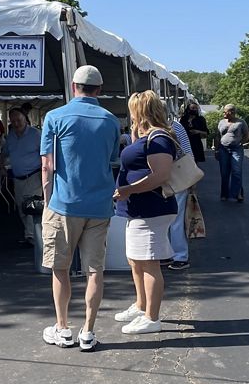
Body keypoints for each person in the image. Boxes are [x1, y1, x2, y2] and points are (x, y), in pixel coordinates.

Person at [39, 65, 121, 353]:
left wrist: (46, 201)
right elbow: (112, 160)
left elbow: (47, 165)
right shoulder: (111, 121)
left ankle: (62, 328)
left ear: (74, 87)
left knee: (60, 268)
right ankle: (88, 330)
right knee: (94, 270)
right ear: (99, 90)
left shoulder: (54, 117)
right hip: (99, 205)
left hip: (63, 204)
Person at [112, 90, 178, 335]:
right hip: (140, 209)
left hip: (152, 208)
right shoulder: (145, 135)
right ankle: (142, 306)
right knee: (136, 260)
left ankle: (152, 316)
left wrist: (128, 189)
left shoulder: (159, 138)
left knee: (149, 263)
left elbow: (160, 175)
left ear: (141, 110)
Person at [0, 107, 42, 248]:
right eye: (13, 121)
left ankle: (33, 237)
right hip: (18, 178)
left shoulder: (36, 134)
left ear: (25, 119)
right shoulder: (10, 136)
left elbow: (46, 153)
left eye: (19, 120)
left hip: (34, 175)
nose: (16, 123)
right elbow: (4, 153)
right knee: (21, 207)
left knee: (31, 205)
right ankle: (30, 234)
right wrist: (1, 166)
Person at [164, 114, 194, 271]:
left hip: (174, 177)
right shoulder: (175, 126)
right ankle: (175, 255)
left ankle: (179, 255)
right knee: (173, 218)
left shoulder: (172, 127)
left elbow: (187, 151)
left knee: (173, 218)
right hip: (176, 177)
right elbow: (188, 151)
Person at [216, 104, 249, 202]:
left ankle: (238, 193)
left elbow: (246, 134)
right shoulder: (221, 122)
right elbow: (217, 136)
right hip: (223, 149)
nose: (223, 114)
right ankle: (224, 194)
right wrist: (217, 150)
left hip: (236, 149)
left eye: (225, 112)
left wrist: (241, 143)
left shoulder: (241, 122)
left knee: (236, 171)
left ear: (231, 112)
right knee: (224, 172)